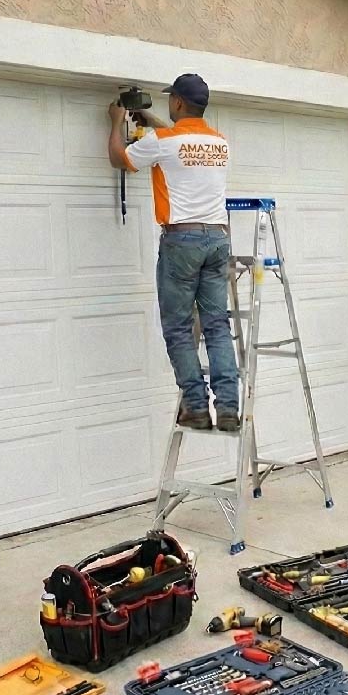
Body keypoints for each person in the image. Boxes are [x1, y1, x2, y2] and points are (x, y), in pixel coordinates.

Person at [107, 74, 239, 432]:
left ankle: (196, 407)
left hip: (182, 242)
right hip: (217, 239)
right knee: (216, 326)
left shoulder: (164, 142)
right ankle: (228, 408)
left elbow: (120, 158)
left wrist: (117, 120)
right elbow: (183, 146)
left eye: (171, 101)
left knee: (179, 328)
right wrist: (152, 123)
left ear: (179, 103)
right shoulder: (220, 142)